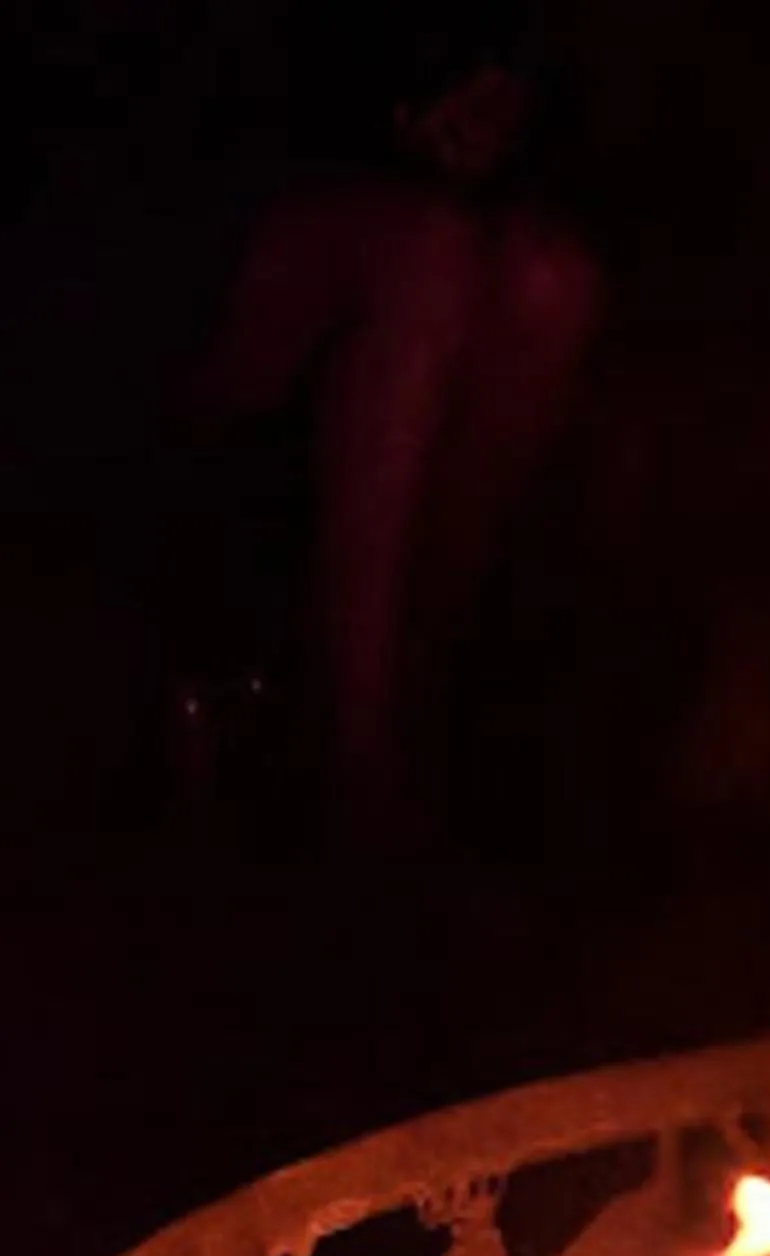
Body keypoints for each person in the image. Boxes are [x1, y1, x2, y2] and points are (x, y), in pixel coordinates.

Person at [188, 2, 602, 838]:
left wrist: (499, 118)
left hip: (418, 183)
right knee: (426, 265)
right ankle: (355, 743)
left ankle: (419, 702)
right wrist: (387, 121)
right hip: (220, 192)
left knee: (547, 286)